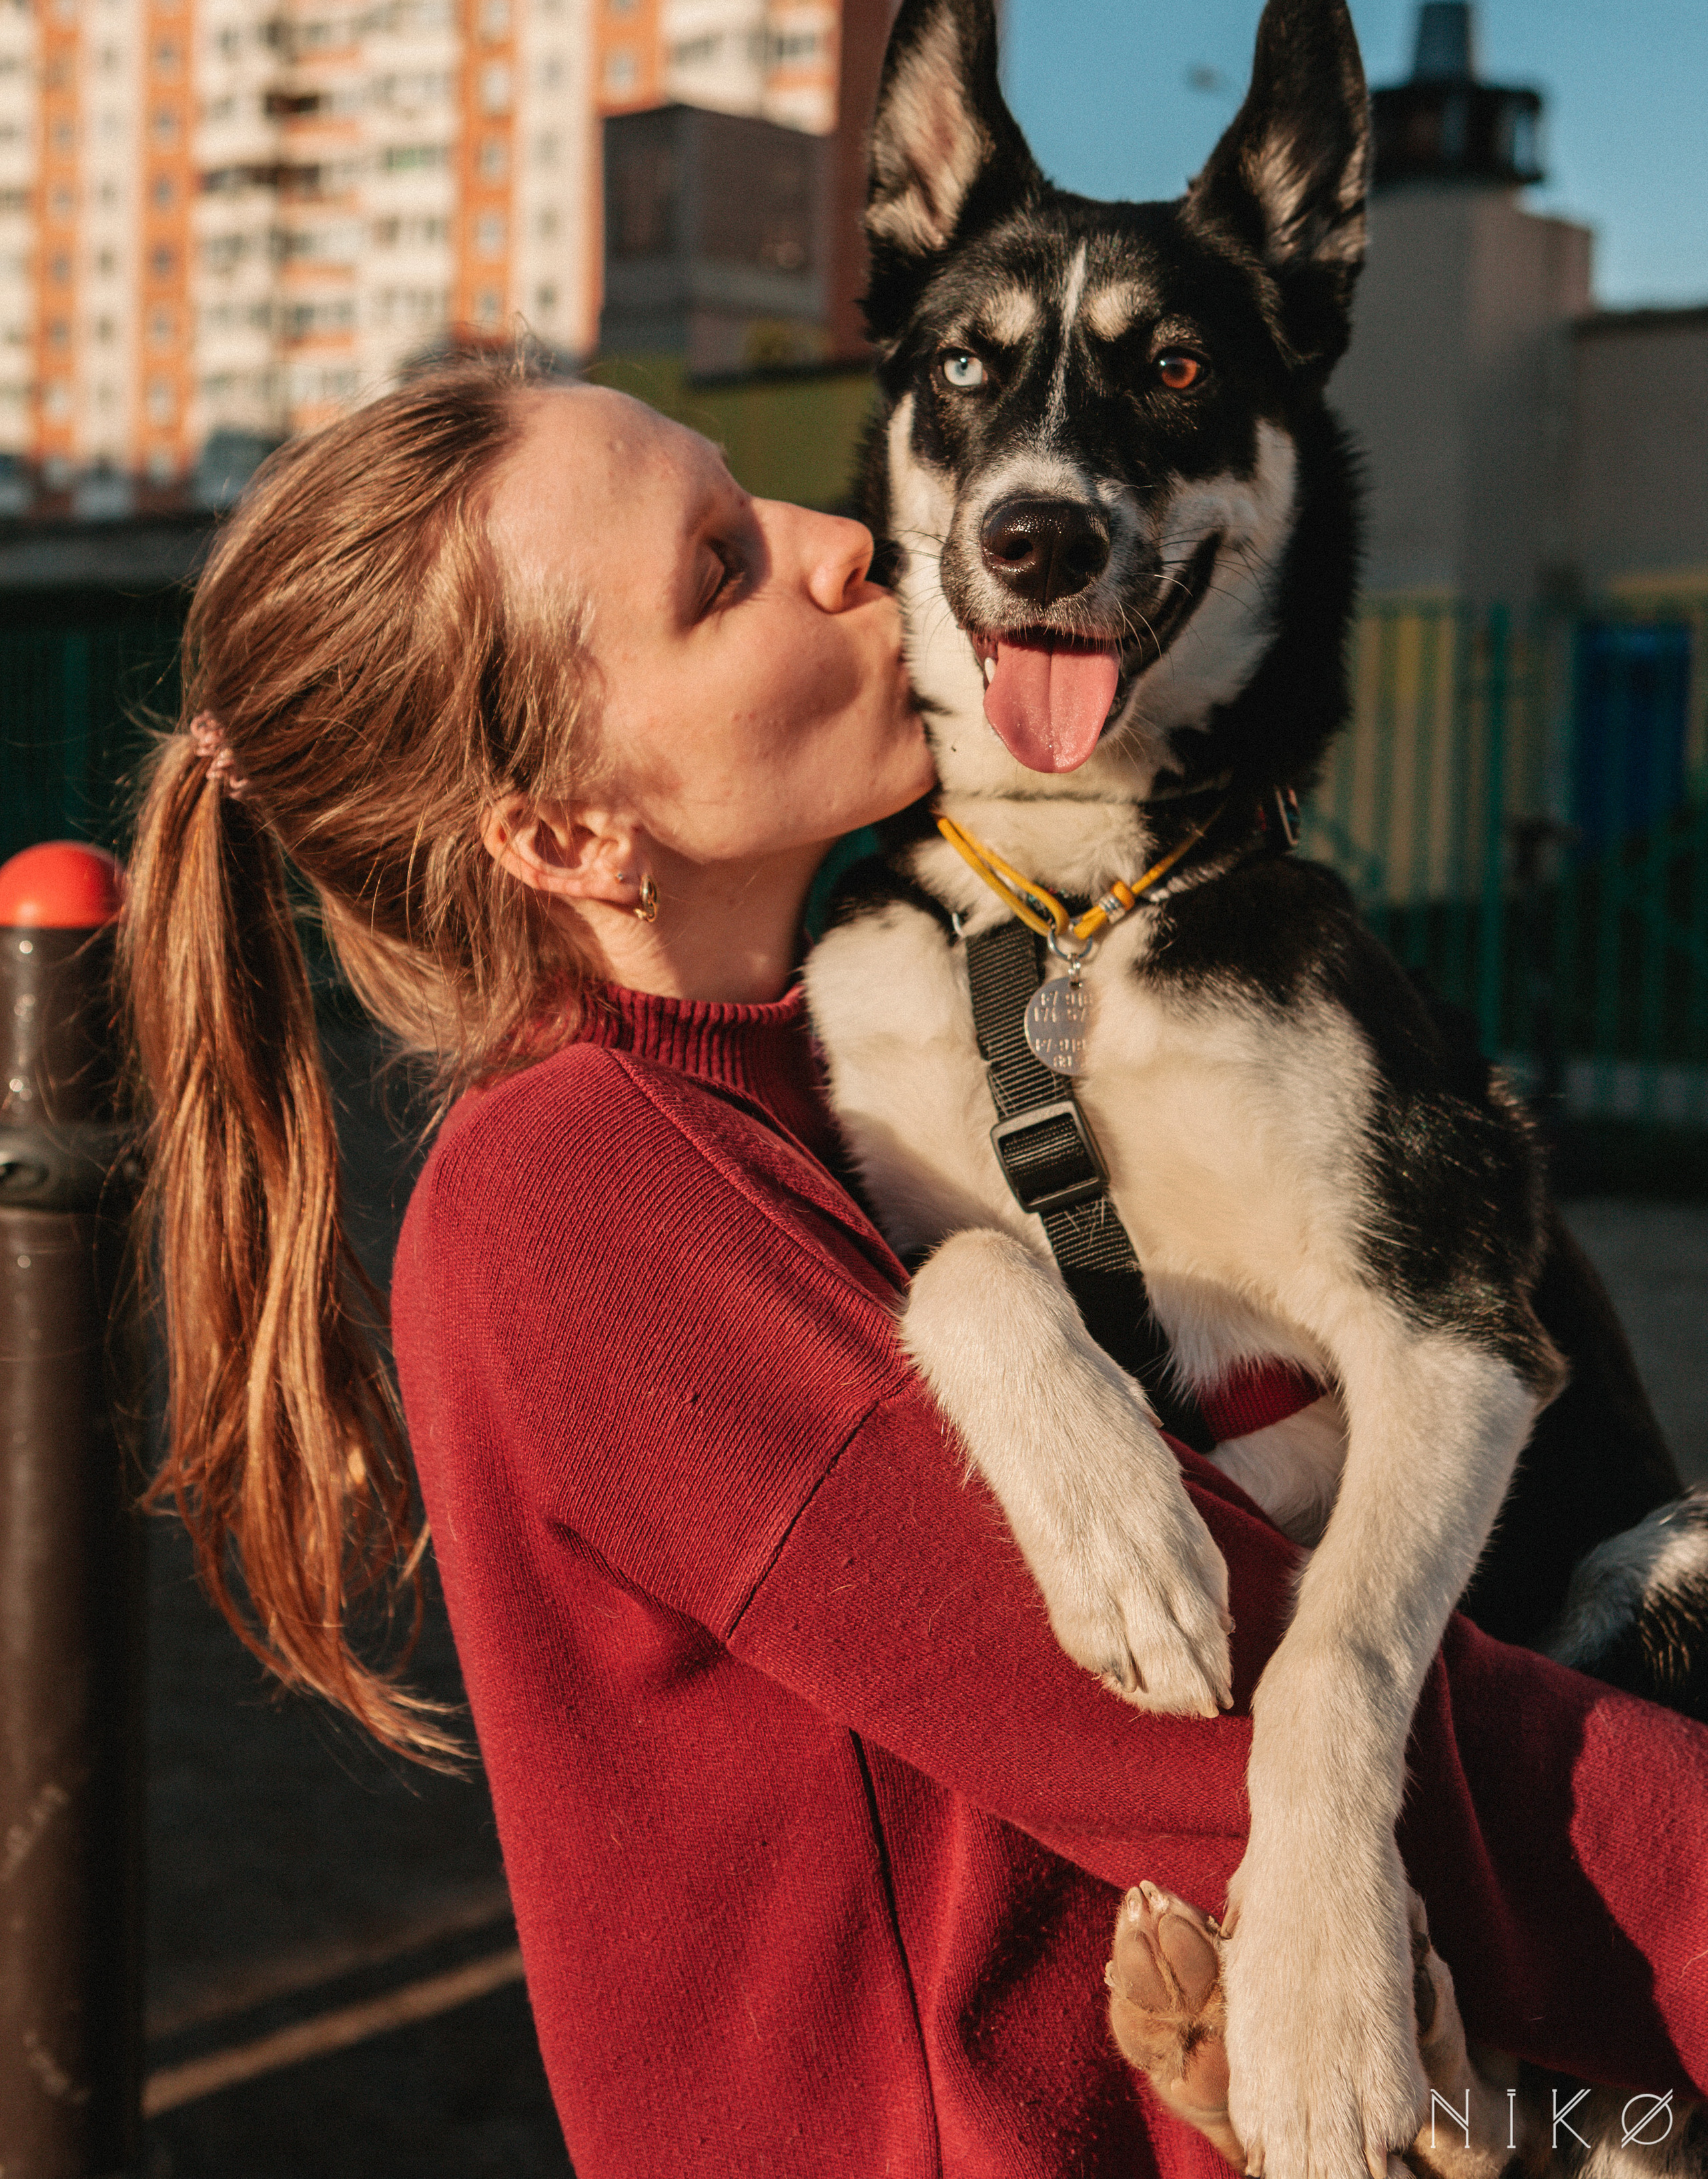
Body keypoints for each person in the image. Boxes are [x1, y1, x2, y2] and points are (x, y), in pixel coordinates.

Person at [123, 363, 1708, 2179]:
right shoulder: (576, 1199)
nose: (846, 547)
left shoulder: (849, 1075)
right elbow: (1174, 1719)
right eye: (720, 571)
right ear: (568, 831)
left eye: (762, 500)